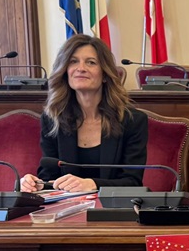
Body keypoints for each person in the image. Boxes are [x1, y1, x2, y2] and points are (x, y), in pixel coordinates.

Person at [20, 34, 147, 193]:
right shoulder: (52, 119)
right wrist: (34, 184)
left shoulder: (133, 120)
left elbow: (133, 182)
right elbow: (49, 177)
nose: (81, 68)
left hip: (111, 207)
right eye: (73, 61)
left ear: (105, 75)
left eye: (91, 62)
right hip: (67, 207)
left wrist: (92, 184)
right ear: (65, 72)